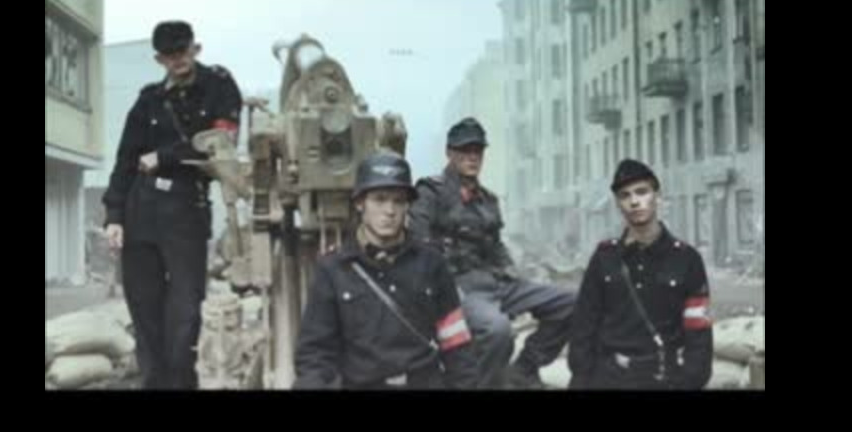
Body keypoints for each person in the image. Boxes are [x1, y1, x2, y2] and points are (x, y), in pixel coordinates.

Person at [102, 20, 243, 389]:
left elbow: (221, 142)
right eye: (169, 55)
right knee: (144, 309)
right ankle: (153, 382)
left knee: (185, 312)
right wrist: (114, 216)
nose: (178, 59)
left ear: (195, 48)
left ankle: (181, 383)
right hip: (141, 209)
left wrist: (164, 157)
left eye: (183, 51)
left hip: (186, 210)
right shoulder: (148, 99)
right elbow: (125, 160)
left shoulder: (219, 85)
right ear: (159, 59)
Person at [409, 117, 576, 389]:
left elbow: (496, 246)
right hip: (459, 286)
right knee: (497, 330)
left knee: (570, 303)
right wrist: (442, 287)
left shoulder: (487, 200)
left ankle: (524, 369)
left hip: (497, 282)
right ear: (450, 153)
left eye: (477, 150)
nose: (472, 157)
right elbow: (420, 244)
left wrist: (513, 273)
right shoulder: (430, 192)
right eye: (465, 150)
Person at [294, 151, 478, 389]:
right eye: (379, 199)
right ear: (360, 203)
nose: (389, 210)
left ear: (407, 206)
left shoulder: (432, 264)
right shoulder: (333, 270)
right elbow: (315, 355)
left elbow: (456, 345)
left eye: (398, 201)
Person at [568, 159, 713, 390]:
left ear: (657, 196)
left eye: (642, 192)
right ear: (618, 204)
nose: (634, 201)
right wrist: (582, 377)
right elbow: (583, 325)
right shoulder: (605, 257)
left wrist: (689, 381)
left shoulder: (687, 259)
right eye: (625, 195)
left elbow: (699, 334)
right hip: (610, 377)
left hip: (664, 378)